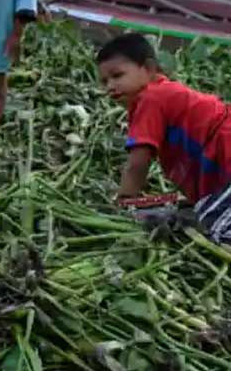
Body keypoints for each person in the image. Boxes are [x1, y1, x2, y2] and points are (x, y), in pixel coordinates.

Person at [97, 33, 231, 242]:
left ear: (149, 69)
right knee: (202, 215)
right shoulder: (163, 95)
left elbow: (138, 164)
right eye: (104, 81)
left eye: (117, 75)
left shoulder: (151, 98)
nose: (110, 86)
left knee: (215, 229)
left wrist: (123, 202)